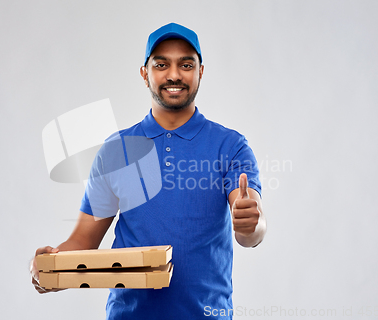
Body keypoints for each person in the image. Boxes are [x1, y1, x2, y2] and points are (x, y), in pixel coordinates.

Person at [31, 22, 266, 319]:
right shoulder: (116, 150)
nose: (174, 74)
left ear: (200, 72)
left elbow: (251, 231)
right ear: (145, 74)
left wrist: (250, 225)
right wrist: (52, 266)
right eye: (161, 64)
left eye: (186, 64)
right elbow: (83, 242)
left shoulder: (230, 146)